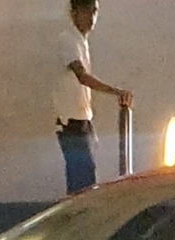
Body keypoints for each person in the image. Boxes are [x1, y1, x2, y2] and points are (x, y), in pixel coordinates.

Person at [56, 0, 134, 196]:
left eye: (94, 12)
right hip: (70, 122)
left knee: (86, 177)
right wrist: (116, 91)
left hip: (82, 120)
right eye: (86, 12)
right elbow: (82, 77)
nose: (91, 18)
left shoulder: (82, 42)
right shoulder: (68, 39)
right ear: (73, 13)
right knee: (81, 181)